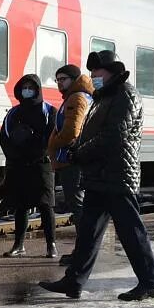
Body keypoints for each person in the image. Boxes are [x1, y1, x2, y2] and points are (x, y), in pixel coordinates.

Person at [41, 52, 154, 301]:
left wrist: (79, 153)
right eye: (92, 73)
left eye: (98, 73)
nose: (93, 77)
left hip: (117, 174)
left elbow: (114, 136)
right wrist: (80, 150)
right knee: (88, 232)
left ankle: (149, 283)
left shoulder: (125, 95)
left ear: (113, 72)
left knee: (131, 231)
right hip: (99, 175)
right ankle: (73, 282)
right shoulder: (104, 97)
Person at [49, 63, 105, 268]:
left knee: (79, 207)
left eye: (63, 79)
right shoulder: (81, 96)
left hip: (72, 161)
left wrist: (51, 144)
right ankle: (83, 251)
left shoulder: (77, 98)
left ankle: (83, 253)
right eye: (57, 80)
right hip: (75, 159)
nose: (59, 83)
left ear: (73, 80)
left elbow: (72, 131)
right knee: (80, 206)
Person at [0, 73, 57, 257]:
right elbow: (4, 138)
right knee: (21, 206)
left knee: (46, 205)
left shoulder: (49, 111)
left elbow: (51, 138)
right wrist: (15, 155)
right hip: (19, 165)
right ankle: (19, 244)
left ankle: (51, 245)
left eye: (31, 87)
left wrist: (35, 150)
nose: (27, 91)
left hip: (41, 164)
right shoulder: (13, 113)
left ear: (38, 89)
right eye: (24, 87)